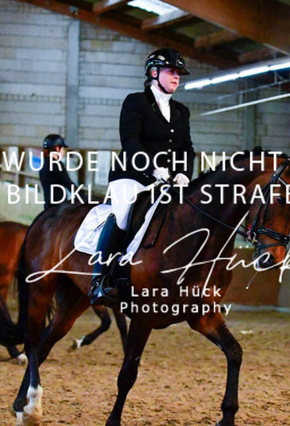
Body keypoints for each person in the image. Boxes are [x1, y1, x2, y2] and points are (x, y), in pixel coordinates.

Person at [88, 47, 196, 306]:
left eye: (178, 73)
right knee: (123, 215)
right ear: (154, 72)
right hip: (132, 175)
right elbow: (130, 140)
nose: (176, 76)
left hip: (167, 180)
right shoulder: (135, 102)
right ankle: (100, 279)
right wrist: (152, 168)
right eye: (171, 71)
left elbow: (187, 148)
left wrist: (184, 173)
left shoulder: (181, 111)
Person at [39, 134, 76, 210]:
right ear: (57, 148)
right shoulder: (56, 165)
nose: (63, 152)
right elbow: (69, 184)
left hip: (48, 208)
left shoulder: (44, 166)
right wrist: (85, 197)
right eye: (63, 149)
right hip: (59, 208)